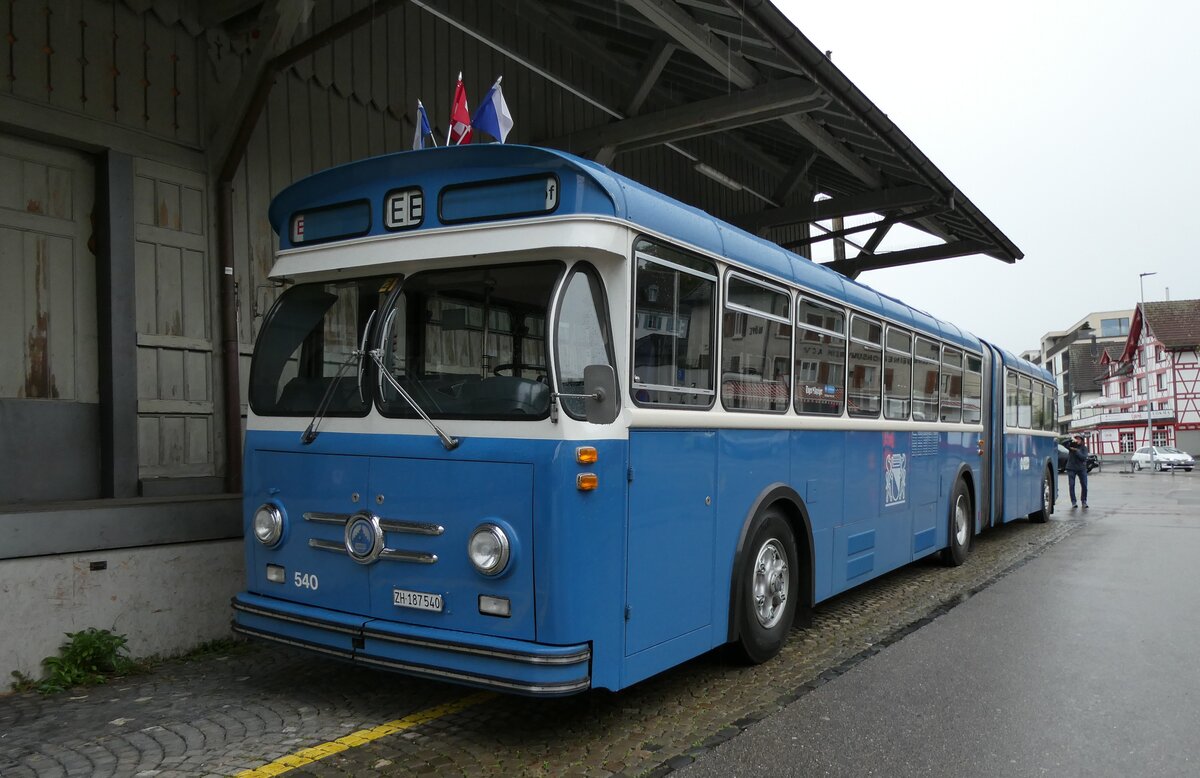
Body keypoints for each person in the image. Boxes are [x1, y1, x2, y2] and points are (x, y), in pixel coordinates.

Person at [1065, 433, 1090, 509]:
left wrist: (1076, 451)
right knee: (1071, 485)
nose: (1077, 440)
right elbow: (1064, 444)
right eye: (1076, 438)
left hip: (1081, 468)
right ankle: (1073, 502)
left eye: (1079, 439)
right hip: (1071, 468)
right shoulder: (1071, 446)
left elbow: (1083, 457)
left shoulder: (1084, 448)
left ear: (1082, 440)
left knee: (1084, 485)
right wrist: (1070, 440)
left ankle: (1084, 501)